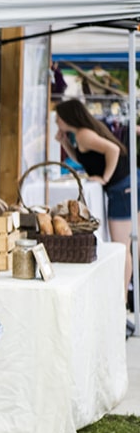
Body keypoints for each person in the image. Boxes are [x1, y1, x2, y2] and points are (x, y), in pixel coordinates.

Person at [55, 98, 135, 296]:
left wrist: (105, 177)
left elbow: (114, 150)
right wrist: (64, 141)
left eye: (58, 117)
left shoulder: (84, 134)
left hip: (120, 189)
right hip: (127, 187)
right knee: (128, 246)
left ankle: (122, 298)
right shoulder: (81, 134)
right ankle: (123, 296)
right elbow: (82, 159)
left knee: (121, 247)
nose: (56, 121)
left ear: (67, 117)